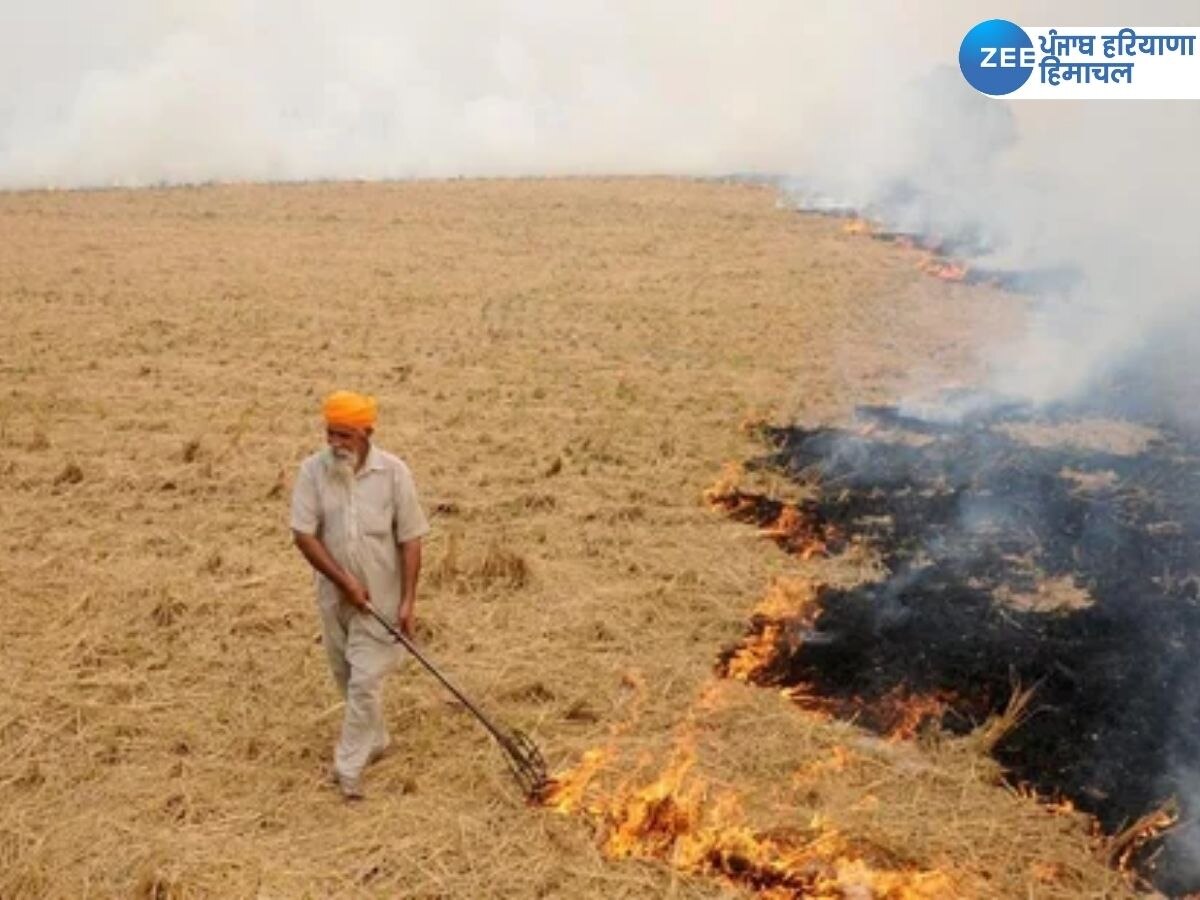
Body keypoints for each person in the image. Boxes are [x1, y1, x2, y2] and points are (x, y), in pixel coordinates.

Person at [290, 390, 429, 800]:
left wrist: (406, 601)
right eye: (331, 434)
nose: (336, 444)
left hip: (381, 600)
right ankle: (377, 739)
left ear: (367, 433)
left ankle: (347, 768)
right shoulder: (312, 471)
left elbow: (411, 540)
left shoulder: (395, 474)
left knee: (365, 681)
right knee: (346, 676)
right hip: (334, 599)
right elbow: (303, 534)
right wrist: (343, 582)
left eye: (345, 436)